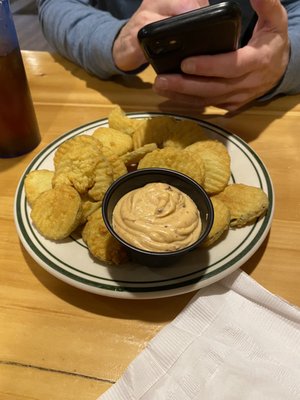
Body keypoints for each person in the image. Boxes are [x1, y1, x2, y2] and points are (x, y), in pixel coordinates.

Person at [37, 0, 300, 112]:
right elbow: (56, 4)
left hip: (255, 108)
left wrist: (286, 59)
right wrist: (112, 40)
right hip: (128, 96)